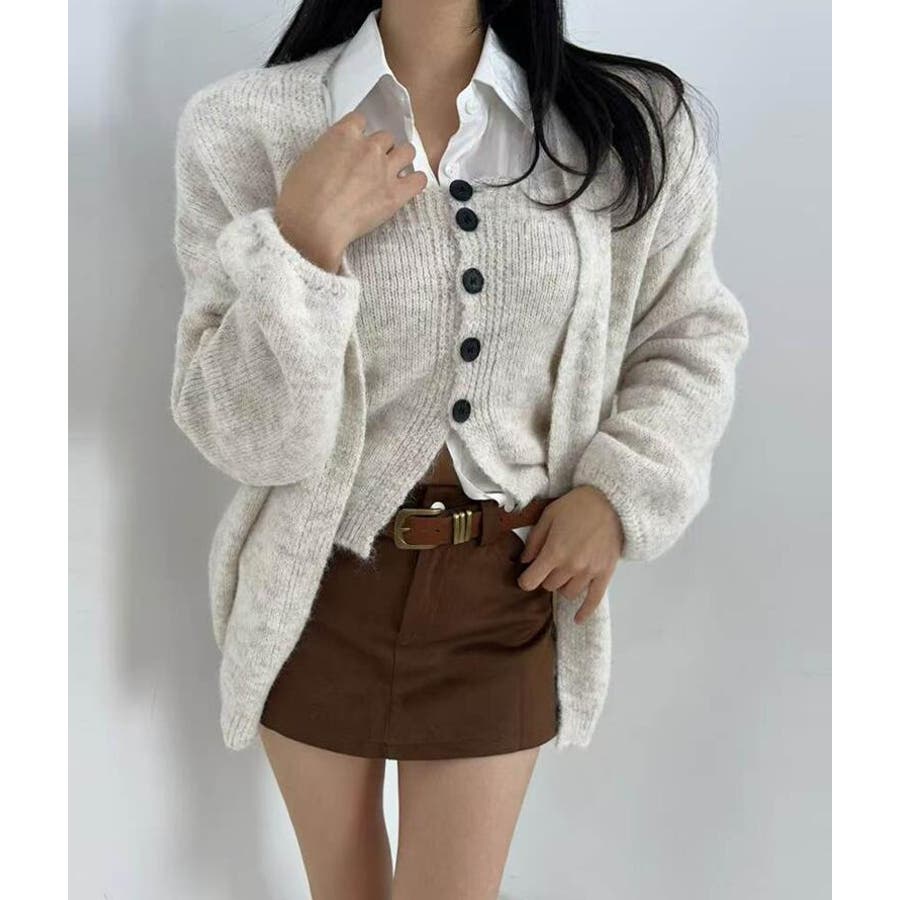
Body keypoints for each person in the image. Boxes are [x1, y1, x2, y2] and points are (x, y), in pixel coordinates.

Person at [169, 1, 749, 896]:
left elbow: (688, 336)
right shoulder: (242, 126)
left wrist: (617, 493)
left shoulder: (628, 126)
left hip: (505, 584)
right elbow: (247, 438)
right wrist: (303, 244)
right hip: (314, 588)